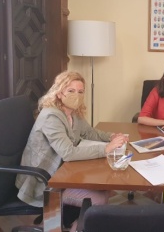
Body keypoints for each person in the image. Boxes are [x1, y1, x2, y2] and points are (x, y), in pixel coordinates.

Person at [15, 71, 128, 223]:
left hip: (64, 171)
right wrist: (106, 148)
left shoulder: (72, 112)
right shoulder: (51, 116)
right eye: (71, 91)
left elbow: (89, 132)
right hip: (46, 182)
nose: (77, 95)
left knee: (106, 187)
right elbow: (68, 153)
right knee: (99, 198)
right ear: (59, 93)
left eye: (80, 92)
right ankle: (77, 224)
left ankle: (77, 218)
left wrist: (111, 137)